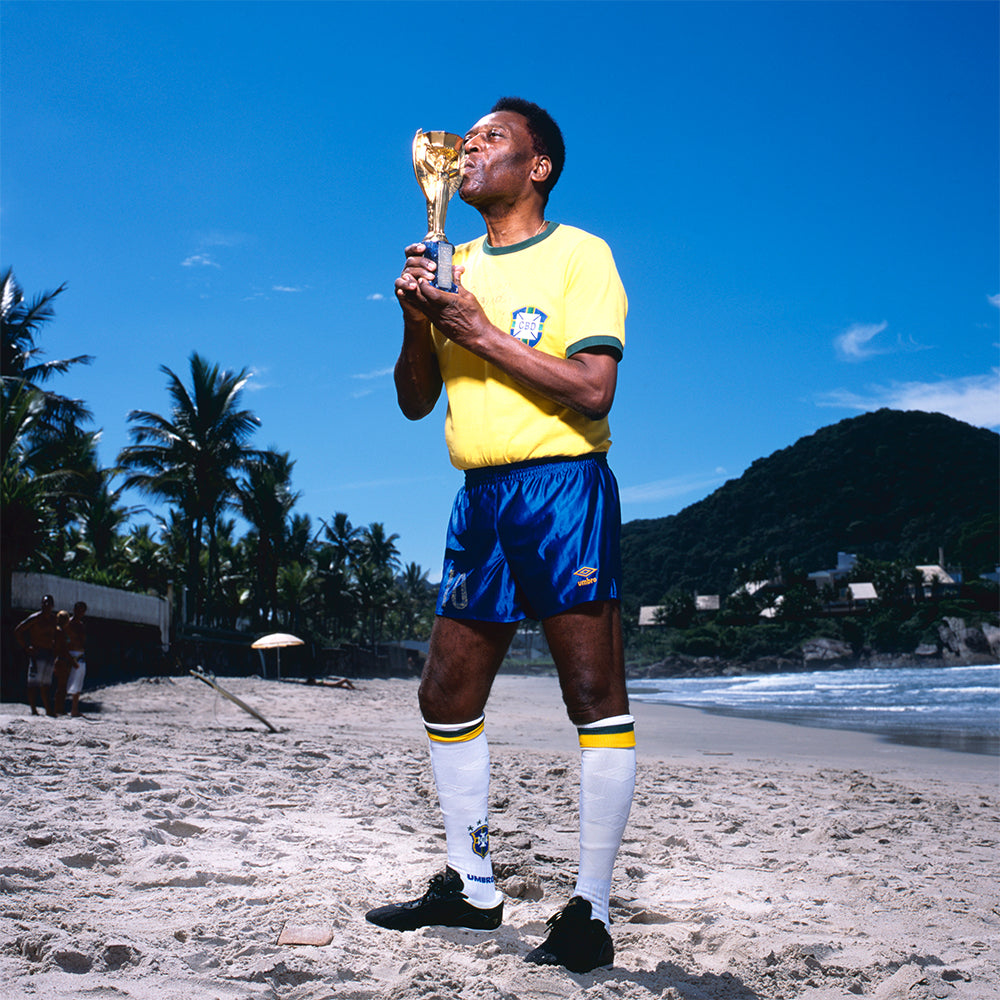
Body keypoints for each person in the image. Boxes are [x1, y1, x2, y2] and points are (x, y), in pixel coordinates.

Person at [365, 98, 634, 975]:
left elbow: (592, 389)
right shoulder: (455, 259)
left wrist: (476, 328)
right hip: (479, 495)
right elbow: (413, 400)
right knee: (444, 694)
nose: (470, 147)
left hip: (562, 486)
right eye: (466, 139)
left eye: (492, 139)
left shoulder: (580, 254)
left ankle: (590, 908)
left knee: (592, 695)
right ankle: (473, 886)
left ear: (538, 166)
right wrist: (419, 319)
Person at [14, 594, 58, 716]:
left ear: (52, 606)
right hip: (37, 652)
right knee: (33, 683)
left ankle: (48, 709)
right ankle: (33, 709)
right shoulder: (35, 618)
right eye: (44, 603)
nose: (46, 606)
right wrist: (26, 647)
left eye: (48, 604)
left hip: (49, 653)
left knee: (46, 683)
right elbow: (18, 630)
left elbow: (56, 635)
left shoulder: (54, 620)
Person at [65, 602, 88, 717]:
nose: (80, 613)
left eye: (82, 610)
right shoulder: (68, 623)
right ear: (74, 610)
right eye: (79, 610)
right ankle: (60, 708)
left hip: (80, 655)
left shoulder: (81, 624)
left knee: (78, 683)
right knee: (64, 681)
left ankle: (74, 709)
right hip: (71, 654)